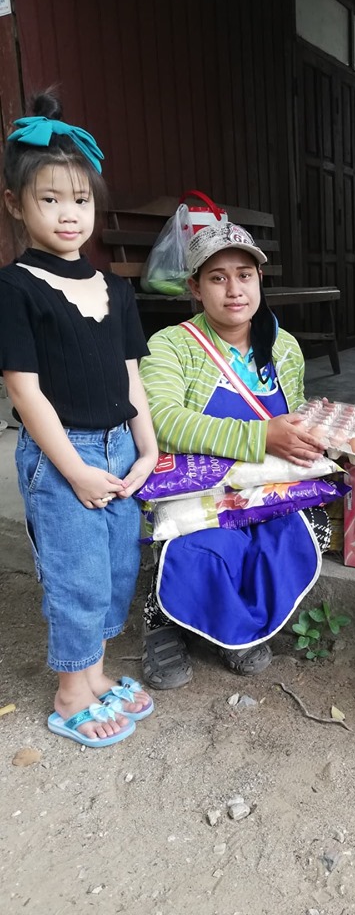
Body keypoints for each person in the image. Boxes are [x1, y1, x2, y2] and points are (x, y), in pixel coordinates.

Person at [0, 92, 158, 748]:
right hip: (63, 457)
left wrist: (146, 451)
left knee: (118, 567)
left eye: (81, 200)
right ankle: (70, 694)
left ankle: (93, 676)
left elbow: (131, 375)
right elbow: (26, 392)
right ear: (16, 204)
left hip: (121, 449)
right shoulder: (15, 288)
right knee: (77, 575)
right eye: (50, 199)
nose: (70, 215)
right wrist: (75, 469)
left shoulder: (114, 288)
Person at [139, 222, 329, 690]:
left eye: (244, 275)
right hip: (199, 484)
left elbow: (296, 410)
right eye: (217, 278)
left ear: (260, 281)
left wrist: (313, 429)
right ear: (195, 289)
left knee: (294, 532)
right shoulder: (170, 345)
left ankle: (240, 624)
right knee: (199, 544)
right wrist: (260, 437)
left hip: (266, 482)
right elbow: (160, 419)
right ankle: (160, 622)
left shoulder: (283, 347)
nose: (234, 289)